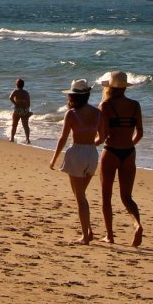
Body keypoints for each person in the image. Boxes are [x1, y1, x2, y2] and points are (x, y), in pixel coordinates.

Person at [48, 78, 101, 244]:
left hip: (77, 152)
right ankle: (89, 231)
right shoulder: (98, 113)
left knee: (80, 197)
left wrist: (54, 158)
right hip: (92, 154)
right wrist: (91, 145)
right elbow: (104, 136)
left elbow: (63, 138)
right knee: (81, 194)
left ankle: (85, 236)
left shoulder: (71, 114)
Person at [96, 70, 144, 246]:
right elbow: (140, 132)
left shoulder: (105, 106)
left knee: (106, 196)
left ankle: (109, 235)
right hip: (129, 152)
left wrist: (89, 144)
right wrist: (129, 143)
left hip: (111, 151)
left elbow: (102, 136)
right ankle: (137, 224)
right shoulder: (135, 105)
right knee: (127, 197)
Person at [8, 78, 33, 143]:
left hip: (17, 109)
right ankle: (27, 139)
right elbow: (28, 102)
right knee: (26, 126)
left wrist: (15, 103)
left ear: (16, 85)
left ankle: (12, 138)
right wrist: (27, 110)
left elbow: (10, 97)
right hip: (24, 110)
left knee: (14, 125)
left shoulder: (15, 91)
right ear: (23, 85)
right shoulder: (26, 92)